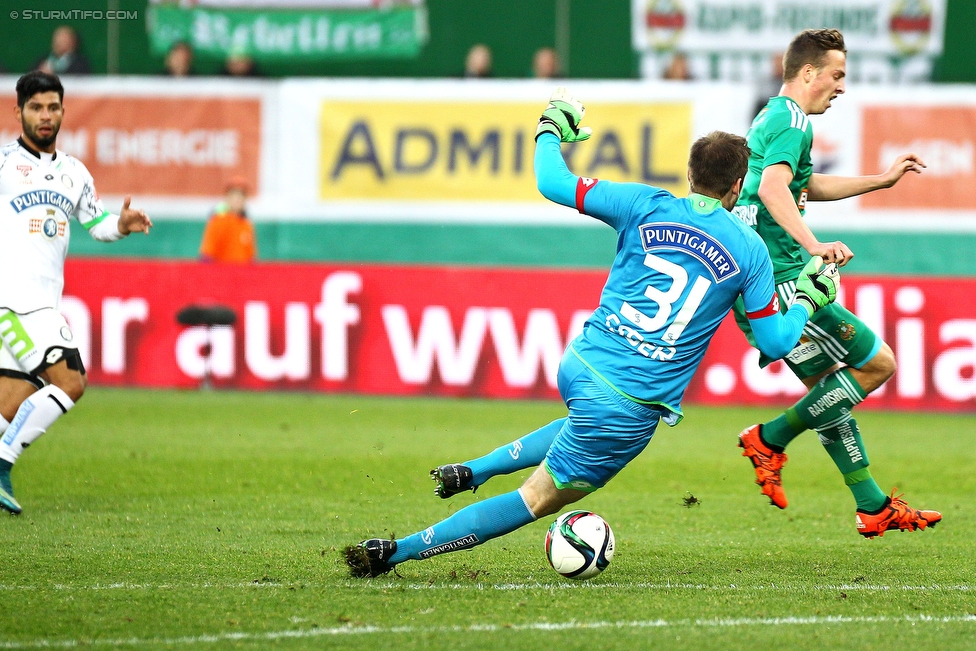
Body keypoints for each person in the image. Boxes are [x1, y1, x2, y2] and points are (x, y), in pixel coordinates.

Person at [344, 87, 841, 577]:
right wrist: (807, 299)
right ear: (737, 188)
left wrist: (549, 129)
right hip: (629, 402)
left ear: (690, 176)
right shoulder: (750, 249)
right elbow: (775, 344)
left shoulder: (644, 202)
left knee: (580, 424)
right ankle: (396, 552)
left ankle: (474, 470)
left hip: (582, 362)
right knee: (536, 498)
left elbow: (552, 182)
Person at [730, 29, 939, 538]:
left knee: (829, 394)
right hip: (780, 280)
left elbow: (803, 185)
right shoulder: (791, 118)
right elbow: (778, 189)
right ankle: (770, 437)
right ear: (807, 73)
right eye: (837, 75)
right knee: (879, 364)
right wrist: (814, 247)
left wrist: (880, 180)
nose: (842, 87)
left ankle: (871, 505)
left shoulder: (774, 117)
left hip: (757, 281)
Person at [0, 72, 153, 515]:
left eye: (52, 107)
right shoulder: (5, 164)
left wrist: (120, 226)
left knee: (10, 401)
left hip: (45, 300)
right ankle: (3, 463)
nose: (44, 116)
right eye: (35, 107)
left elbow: (96, 223)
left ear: (63, 111)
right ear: (19, 112)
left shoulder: (74, 173)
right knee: (69, 382)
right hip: (14, 299)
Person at [199, 177, 257, 263]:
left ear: (245, 199)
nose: (237, 199)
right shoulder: (217, 221)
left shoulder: (246, 224)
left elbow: (251, 258)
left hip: (243, 275)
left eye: (241, 195)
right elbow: (207, 256)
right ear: (227, 197)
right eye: (234, 195)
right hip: (222, 274)